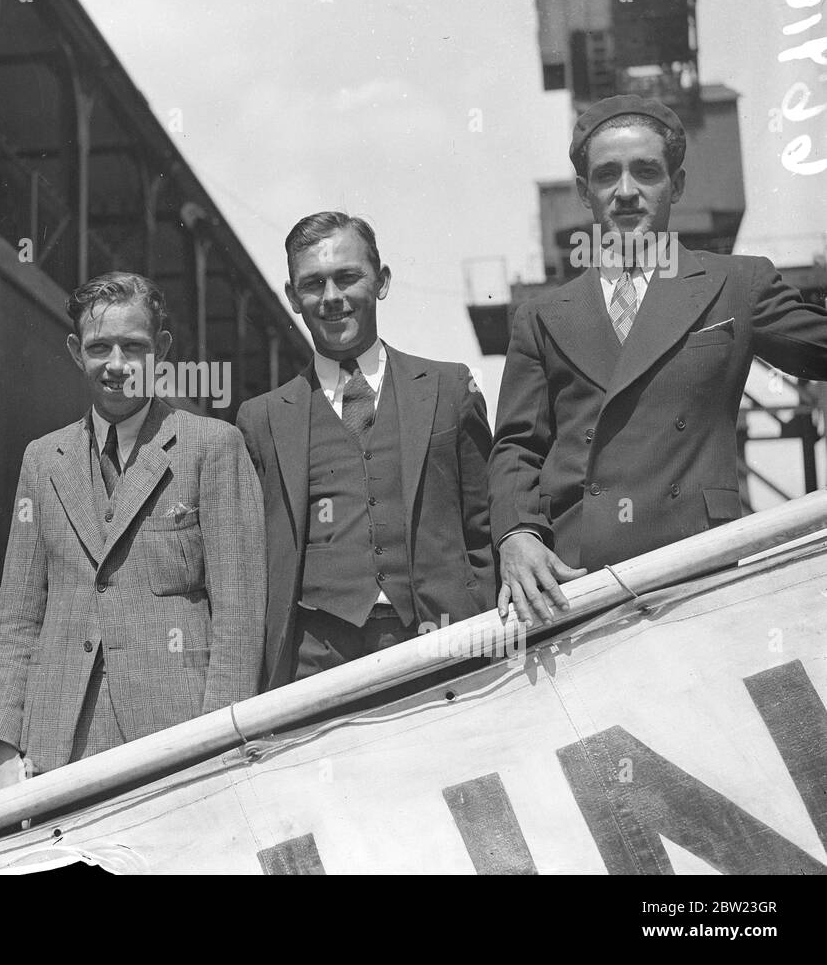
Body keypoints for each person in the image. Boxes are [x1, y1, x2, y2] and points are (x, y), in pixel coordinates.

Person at [490, 94, 827, 626]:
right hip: (576, 579)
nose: (626, 193)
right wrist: (518, 533)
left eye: (646, 171)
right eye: (607, 176)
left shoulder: (736, 284)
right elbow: (516, 448)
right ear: (585, 192)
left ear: (678, 183)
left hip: (698, 565)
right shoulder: (541, 316)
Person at [0, 272, 266, 792]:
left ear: (160, 350)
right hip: (57, 743)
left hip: (177, 738)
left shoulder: (213, 446)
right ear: (75, 351)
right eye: (99, 347)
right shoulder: (43, 459)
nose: (116, 366)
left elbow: (240, 613)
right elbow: (20, 615)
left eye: (133, 347)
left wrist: (222, 736)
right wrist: (3, 748)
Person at [236, 212, 495, 687]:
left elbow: (485, 524)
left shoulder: (448, 387)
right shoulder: (262, 419)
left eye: (347, 277)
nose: (332, 298)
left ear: (381, 281)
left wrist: (479, 618)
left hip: (445, 647)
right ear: (293, 298)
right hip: (316, 664)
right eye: (313, 284)